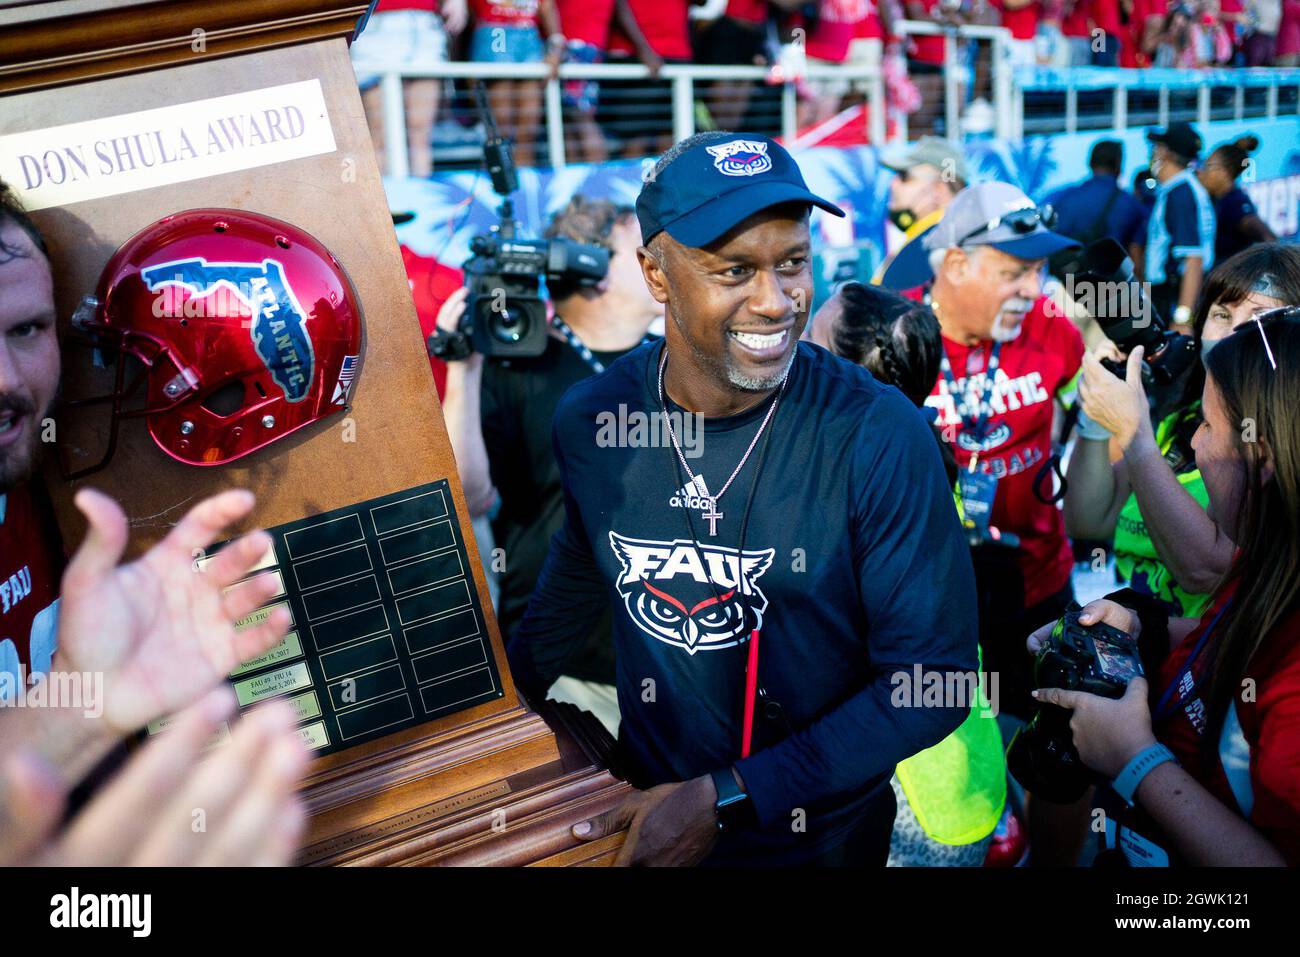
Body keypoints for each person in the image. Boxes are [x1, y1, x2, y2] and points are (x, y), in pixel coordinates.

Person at [508, 132, 978, 866]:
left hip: (820, 844)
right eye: (734, 270)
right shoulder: (595, 419)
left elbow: (934, 682)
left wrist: (729, 794)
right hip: (649, 825)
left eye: (793, 262)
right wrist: (507, 718)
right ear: (656, 276)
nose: (776, 301)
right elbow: (576, 575)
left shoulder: (879, 432)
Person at [1030, 314, 1300, 865]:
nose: (1195, 448)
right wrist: (1141, 627)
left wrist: (1134, 760)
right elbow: (1239, 644)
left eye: (1205, 425)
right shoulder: (1273, 562)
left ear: (1264, 457)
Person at [437, 197, 662, 733]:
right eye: (645, 250)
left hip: (679, 657)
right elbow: (467, 498)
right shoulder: (521, 368)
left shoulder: (678, 361)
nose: (664, 261)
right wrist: (463, 373)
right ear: (593, 269)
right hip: (570, 666)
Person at [807, 281, 1005, 867]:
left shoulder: (852, 489)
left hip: (911, 787)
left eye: (811, 337)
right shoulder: (923, 453)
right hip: (960, 764)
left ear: (844, 373)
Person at [1065, 244, 1300, 618]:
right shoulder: (1181, 422)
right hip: (1153, 647)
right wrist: (1095, 419)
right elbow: (1088, 521)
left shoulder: (1281, 440)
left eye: (1260, 316)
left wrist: (1134, 433)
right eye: (1221, 314)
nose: (1232, 332)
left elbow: (1209, 572)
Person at [920, 181, 1082, 723]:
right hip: (933, 603)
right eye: (1013, 274)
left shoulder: (1052, 326)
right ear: (958, 265)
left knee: (1054, 746)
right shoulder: (899, 331)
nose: (1032, 290)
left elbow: (1080, 409)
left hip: (1040, 583)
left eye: (1037, 272)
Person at [350, 0, 467, 177]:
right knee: (380, 133)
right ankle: (385, 202)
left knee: (421, 134)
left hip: (425, 23)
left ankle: (421, 199)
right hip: (378, 24)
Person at [555, 0, 664, 163]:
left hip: (578, 45)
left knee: (580, 116)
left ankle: (596, 176)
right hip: (586, 43)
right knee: (571, 120)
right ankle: (577, 177)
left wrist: (644, 49)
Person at [468, 0, 566, 168]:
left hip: (529, 34)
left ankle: (524, 187)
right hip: (495, 32)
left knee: (528, 128)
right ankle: (498, 184)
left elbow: (547, 5)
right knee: (500, 128)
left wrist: (555, 46)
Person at [1144, 122, 1216, 337]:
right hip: (1171, 294)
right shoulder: (1180, 189)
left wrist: (1183, 319)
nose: (1153, 153)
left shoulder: (1181, 194)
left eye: (1157, 147)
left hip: (1173, 295)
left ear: (1165, 152)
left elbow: (1193, 258)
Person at [876, 136, 969, 292]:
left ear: (939, 189)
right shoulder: (940, 238)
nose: (893, 184)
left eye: (904, 177)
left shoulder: (932, 245)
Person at [1045, 139, 1148, 277]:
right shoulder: (1132, 205)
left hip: (1069, 285)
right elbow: (1136, 258)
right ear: (1118, 165)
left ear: (1090, 163)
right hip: (1114, 288)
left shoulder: (1062, 198)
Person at [1199, 135, 1278, 265]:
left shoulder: (1234, 202)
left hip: (1230, 279)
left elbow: (1268, 238)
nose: (1201, 172)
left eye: (1207, 166)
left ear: (1224, 172)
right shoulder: (1216, 199)